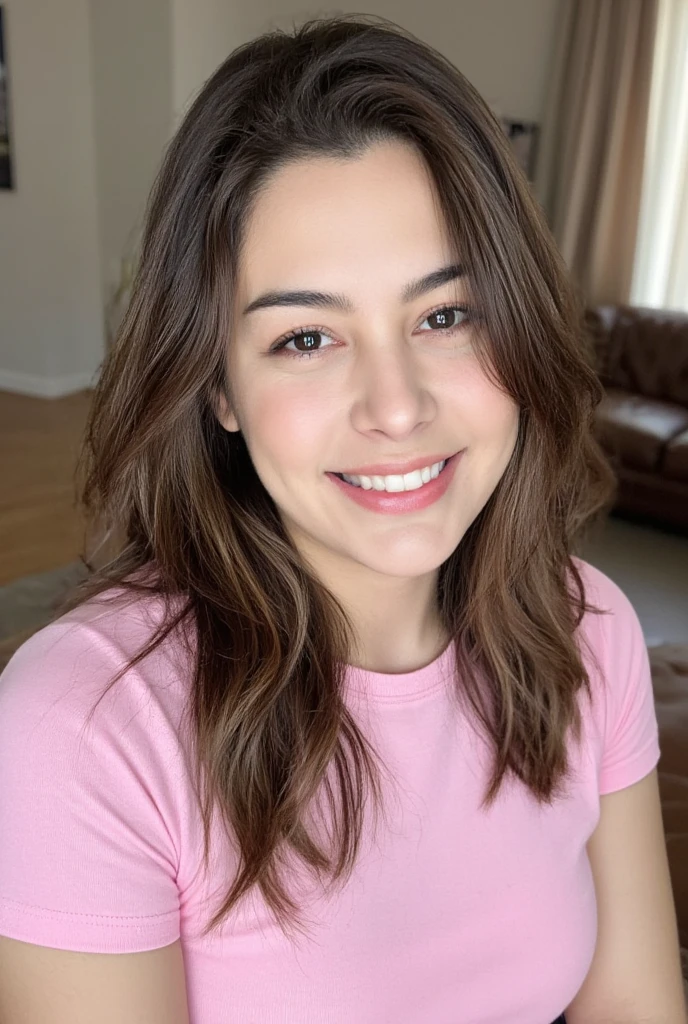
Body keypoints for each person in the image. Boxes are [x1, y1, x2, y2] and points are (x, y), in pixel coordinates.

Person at [0, 14, 685, 1024]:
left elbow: (634, 1003)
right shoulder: (89, 726)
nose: (397, 407)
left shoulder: (588, 630)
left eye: (446, 316)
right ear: (217, 388)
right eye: (307, 336)